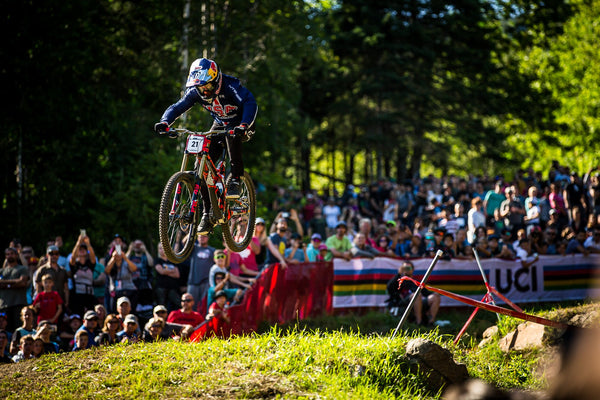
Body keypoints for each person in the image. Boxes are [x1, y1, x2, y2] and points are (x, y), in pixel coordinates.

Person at [154, 57, 258, 234]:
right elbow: (178, 106)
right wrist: (165, 122)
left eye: (207, 86)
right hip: (220, 124)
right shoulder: (196, 91)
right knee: (200, 168)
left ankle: (235, 178)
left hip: (241, 122)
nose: (204, 91)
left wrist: (244, 125)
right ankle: (207, 213)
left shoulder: (230, 85)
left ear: (216, 79)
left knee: (232, 138)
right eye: (201, 87)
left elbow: (250, 103)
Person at [0, 247, 30, 332]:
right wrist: (15, 283)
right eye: (7, 254)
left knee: (18, 330)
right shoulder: (2, 271)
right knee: (4, 331)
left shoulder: (22, 269)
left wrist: (5, 283)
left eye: (12, 253)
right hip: (4, 305)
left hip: (19, 303)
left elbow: (23, 282)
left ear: (16, 255)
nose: (10, 256)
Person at [33, 245, 70, 310]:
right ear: (47, 255)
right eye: (51, 254)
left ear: (59, 255)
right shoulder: (42, 270)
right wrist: (41, 301)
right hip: (46, 303)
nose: (54, 256)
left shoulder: (63, 270)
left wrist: (66, 301)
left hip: (60, 303)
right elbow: (38, 286)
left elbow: (66, 288)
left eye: (56, 254)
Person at [69, 237, 98, 316]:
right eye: (80, 249)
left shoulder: (90, 264)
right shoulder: (75, 265)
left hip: (89, 295)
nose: (82, 250)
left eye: (84, 249)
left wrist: (88, 244)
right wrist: (78, 243)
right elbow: (72, 259)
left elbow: (93, 258)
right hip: (77, 295)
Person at [105, 246, 138, 312]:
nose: (118, 254)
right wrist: (113, 258)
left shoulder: (126, 263)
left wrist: (125, 258)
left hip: (129, 290)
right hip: (115, 292)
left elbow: (134, 268)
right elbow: (107, 270)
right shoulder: (111, 263)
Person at [186, 234, 214, 311]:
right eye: (200, 236)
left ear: (208, 238)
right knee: (190, 303)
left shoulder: (212, 250)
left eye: (204, 236)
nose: (202, 238)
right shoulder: (193, 248)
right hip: (193, 281)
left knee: (204, 305)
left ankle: (203, 321)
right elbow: (183, 244)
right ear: (197, 237)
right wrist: (191, 231)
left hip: (206, 282)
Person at [126, 239, 154, 307]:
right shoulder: (131, 257)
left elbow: (151, 263)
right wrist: (130, 250)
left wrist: (145, 250)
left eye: (140, 245)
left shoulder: (145, 257)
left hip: (144, 284)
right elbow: (124, 262)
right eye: (136, 245)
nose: (138, 247)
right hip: (132, 284)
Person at [155, 242, 181, 312]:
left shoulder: (172, 260)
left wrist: (165, 271)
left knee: (178, 304)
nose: (162, 250)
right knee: (161, 307)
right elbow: (161, 272)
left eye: (163, 248)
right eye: (160, 248)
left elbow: (177, 275)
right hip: (161, 287)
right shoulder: (157, 260)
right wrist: (172, 271)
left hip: (173, 288)